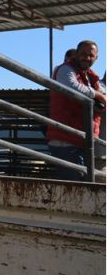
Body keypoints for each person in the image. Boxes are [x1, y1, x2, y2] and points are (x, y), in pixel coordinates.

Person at [46, 40, 105, 180]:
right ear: (76, 54)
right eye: (83, 54)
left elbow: (104, 98)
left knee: (83, 185)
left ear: (96, 58)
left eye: (91, 55)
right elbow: (72, 86)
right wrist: (97, 96)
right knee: (77, 185)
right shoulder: (65, 69)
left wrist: (101, 97)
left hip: (81, 141)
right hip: (65, 140)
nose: (87, 57)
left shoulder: (91, 78)